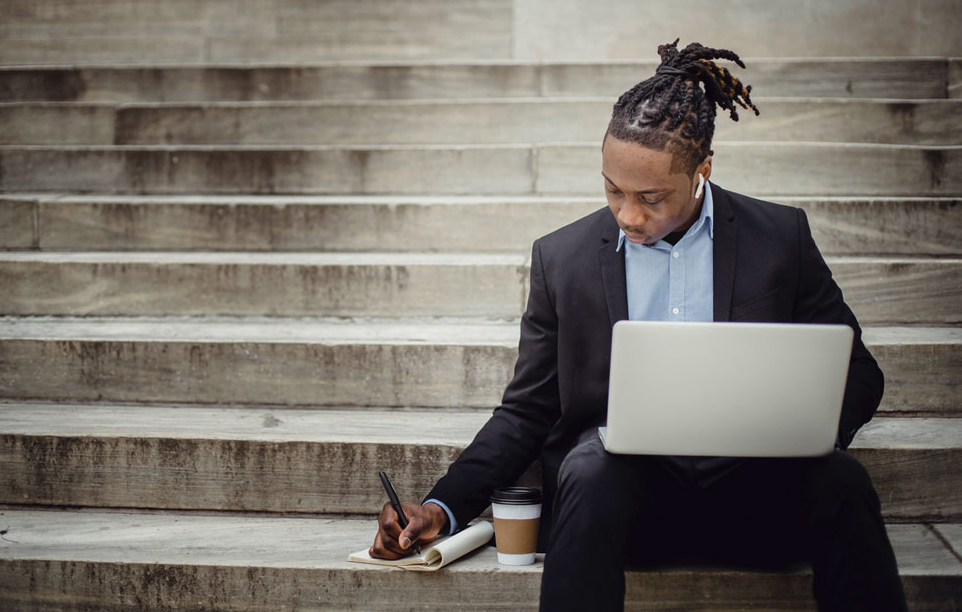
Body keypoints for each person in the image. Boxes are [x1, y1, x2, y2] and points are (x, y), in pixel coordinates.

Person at [369, 39, 908, 611]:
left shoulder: (779, 239)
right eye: (613, 189)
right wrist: (442, 506)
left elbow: (860, 374)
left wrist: (799, 434)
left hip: (759, 499)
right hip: (624, 511)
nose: (628, 215)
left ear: (702, 171)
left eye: (651, 197)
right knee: (587, 464)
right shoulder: (564, 258)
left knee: (842, 480)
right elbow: (527, 409)